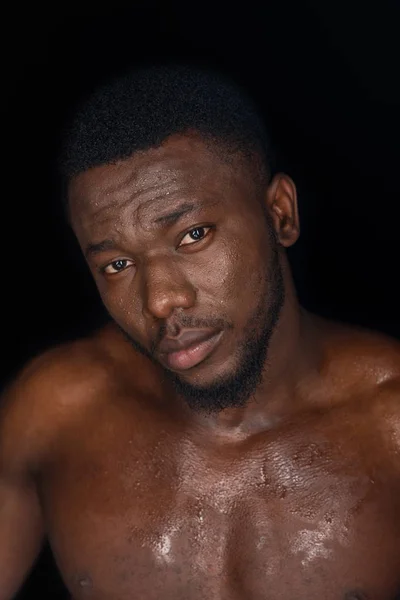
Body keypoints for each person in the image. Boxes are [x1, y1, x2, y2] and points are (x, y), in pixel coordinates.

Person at [1, 63, 399, 600]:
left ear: (279, 214)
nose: (161, 300)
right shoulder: (56, 414)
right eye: (117, 265)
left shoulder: (389, 427)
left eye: (192, 235)